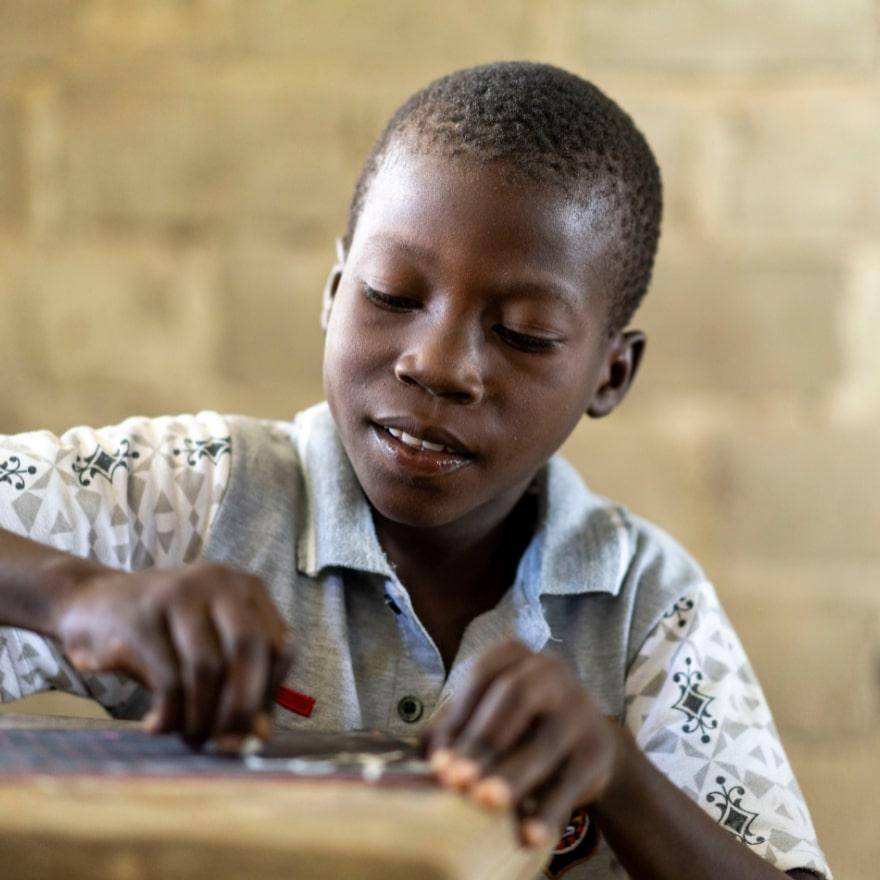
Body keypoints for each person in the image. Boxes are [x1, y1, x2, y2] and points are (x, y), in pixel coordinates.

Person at [0, 62, 829, 879]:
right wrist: (74, 596)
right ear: (332, 293)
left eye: (525, 333)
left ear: (609, 374)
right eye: (393, 295)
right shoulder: (195, 497)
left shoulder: (641, 602)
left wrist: (617, 771)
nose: (437, 365)